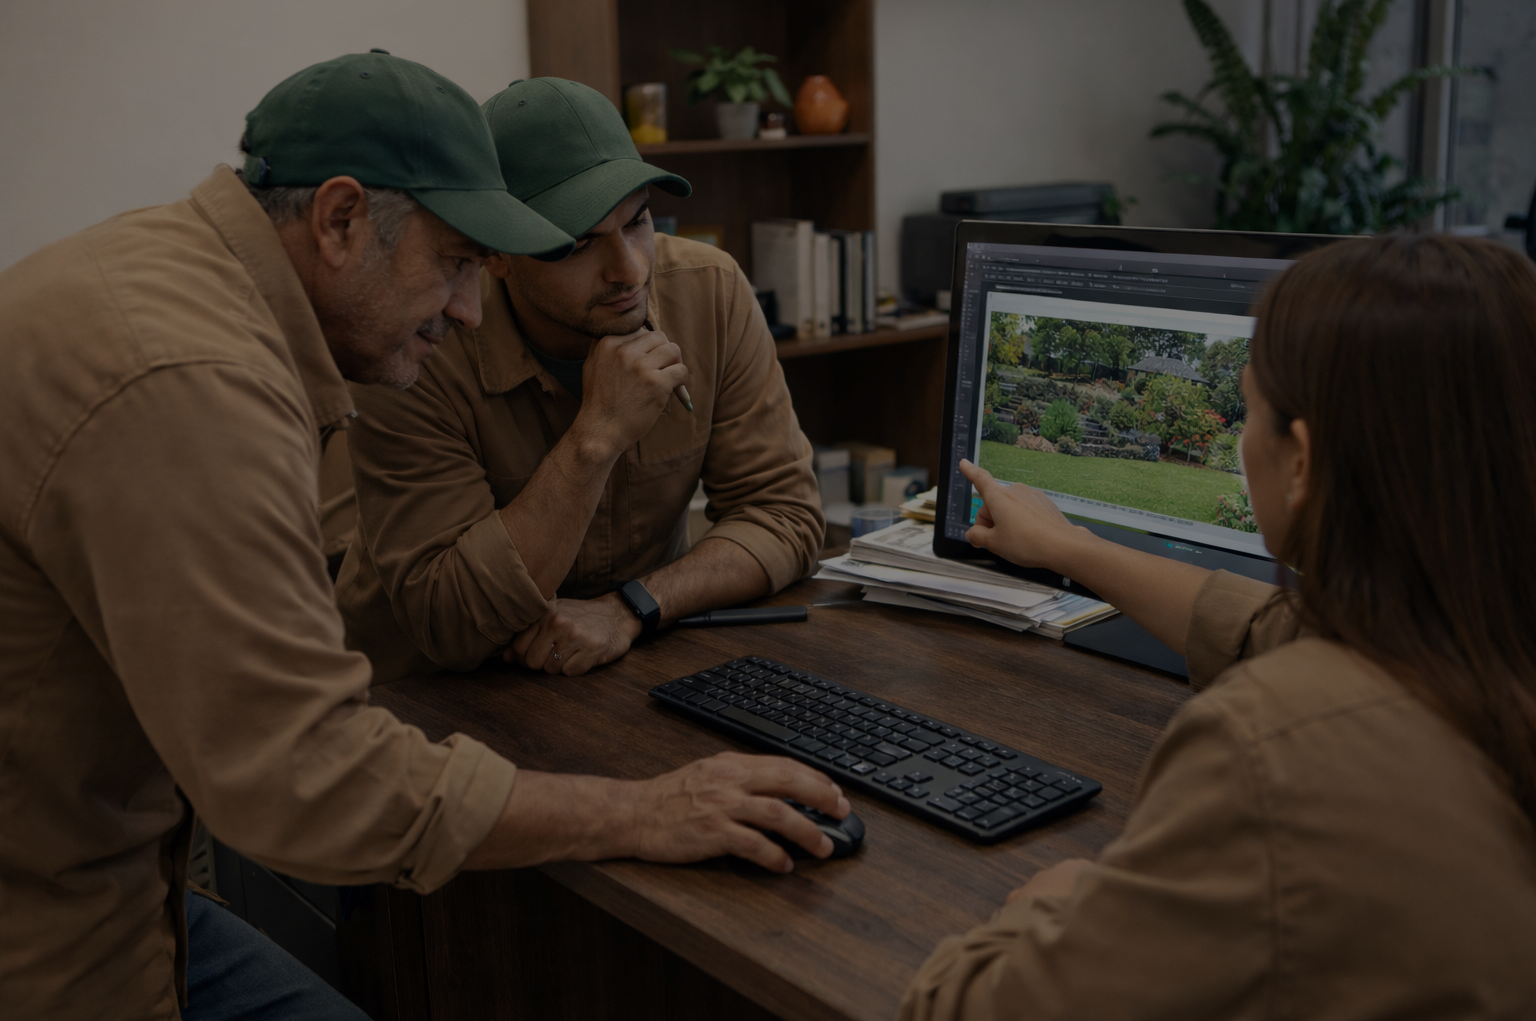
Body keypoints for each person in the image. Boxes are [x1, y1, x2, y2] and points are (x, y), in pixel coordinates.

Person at [0, 53, 848, 1021]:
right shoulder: (189, 379)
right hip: (50, 927)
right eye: (453, 262)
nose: (468, 306)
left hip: (119, 873)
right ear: (340, 219)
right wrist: (645, 809)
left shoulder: (167, 276)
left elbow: (787, 508)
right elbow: (309, 780)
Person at [900, 235, 1536, 1019]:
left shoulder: (1265, 745)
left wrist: (1059, 901)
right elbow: (1266, 627)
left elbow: (959, 1010)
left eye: (1250, 407)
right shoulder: (1479, 640)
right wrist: (1071, 547)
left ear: (1300, 462)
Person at [334, 78, 824, 681]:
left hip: (624, 671)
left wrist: (630, 609)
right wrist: (594, 440)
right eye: (577, 243)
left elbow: (785, 515)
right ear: (498, 255)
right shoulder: (418, 343)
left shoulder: (711, 290)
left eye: (639, 220)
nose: (630, 269)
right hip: (426, 697)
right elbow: (450, 620)